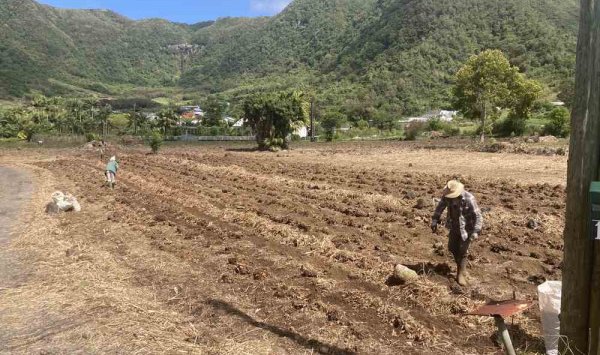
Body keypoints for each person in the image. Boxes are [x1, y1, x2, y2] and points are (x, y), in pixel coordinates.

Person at [431, 180, 482, 286]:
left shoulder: (469, 199)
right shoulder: (447, 197)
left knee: (462, 250)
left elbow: (478, 216)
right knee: (452, 248)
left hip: (468, 229)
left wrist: (476, 231)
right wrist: (435, 220)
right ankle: (462, 268)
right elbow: (440, 207)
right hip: (454, 226)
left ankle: (460, 274)